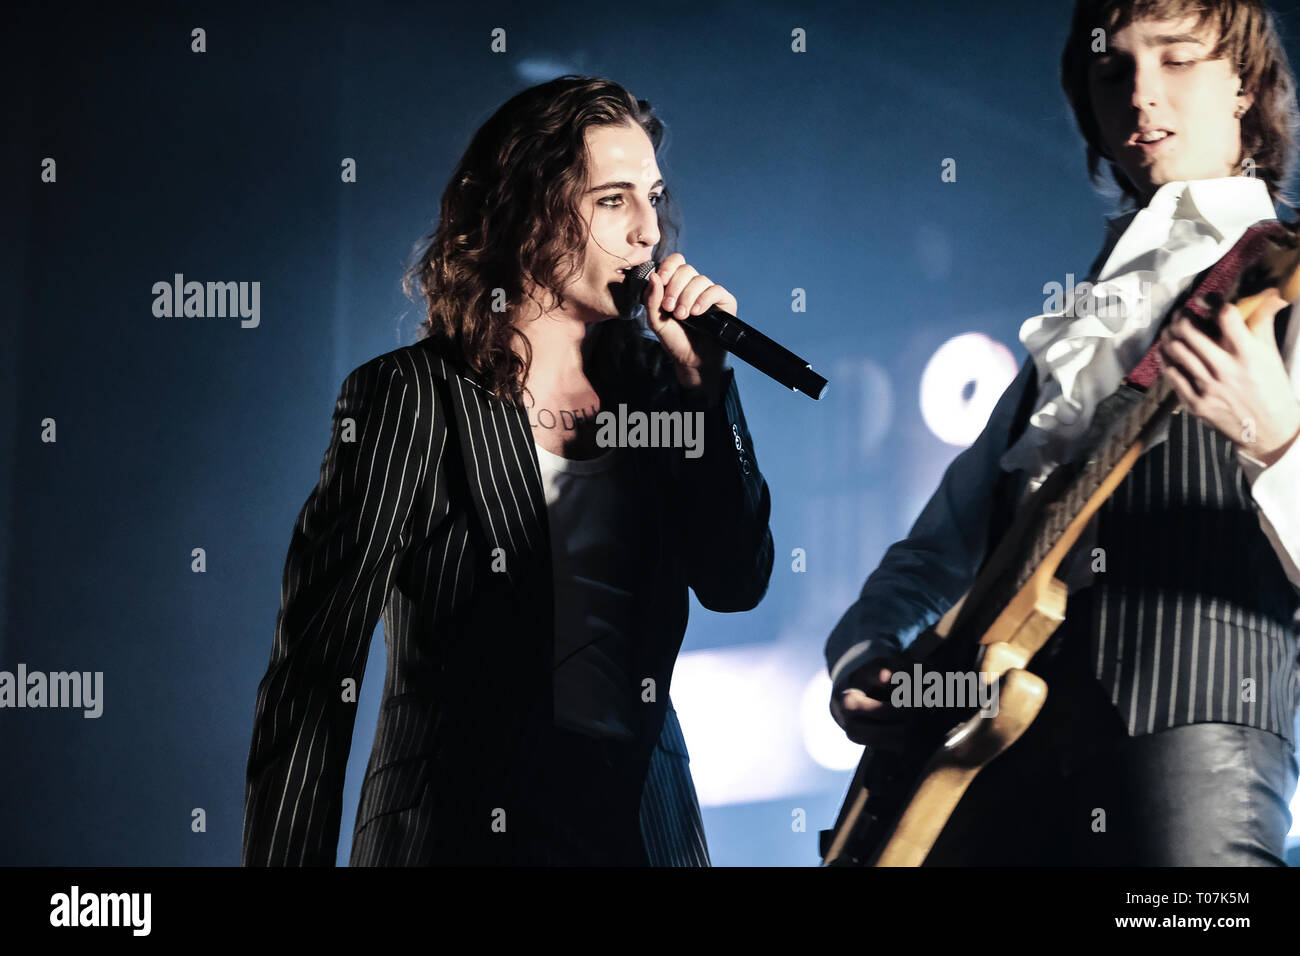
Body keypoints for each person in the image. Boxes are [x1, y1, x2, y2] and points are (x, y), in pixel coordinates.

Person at [242, 75, 774, 866]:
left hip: (640, 835)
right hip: (457, 837)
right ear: (527, 213)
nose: (648, 233)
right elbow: (315, 676)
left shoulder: (663, 389)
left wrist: (705, 389)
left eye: (654, 198)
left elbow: (737, 583)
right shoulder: (409, 396)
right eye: (612, 201)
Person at [826, 0, 1300, 865]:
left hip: (1185, 744)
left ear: (1245, 84)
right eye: (1112, 68)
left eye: (1178, 57)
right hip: (991, 769)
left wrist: (1278, 443)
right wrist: (864, 654)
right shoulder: (1070, 341)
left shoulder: (1286, 282)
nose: (1141, 95)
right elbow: (933, 552)